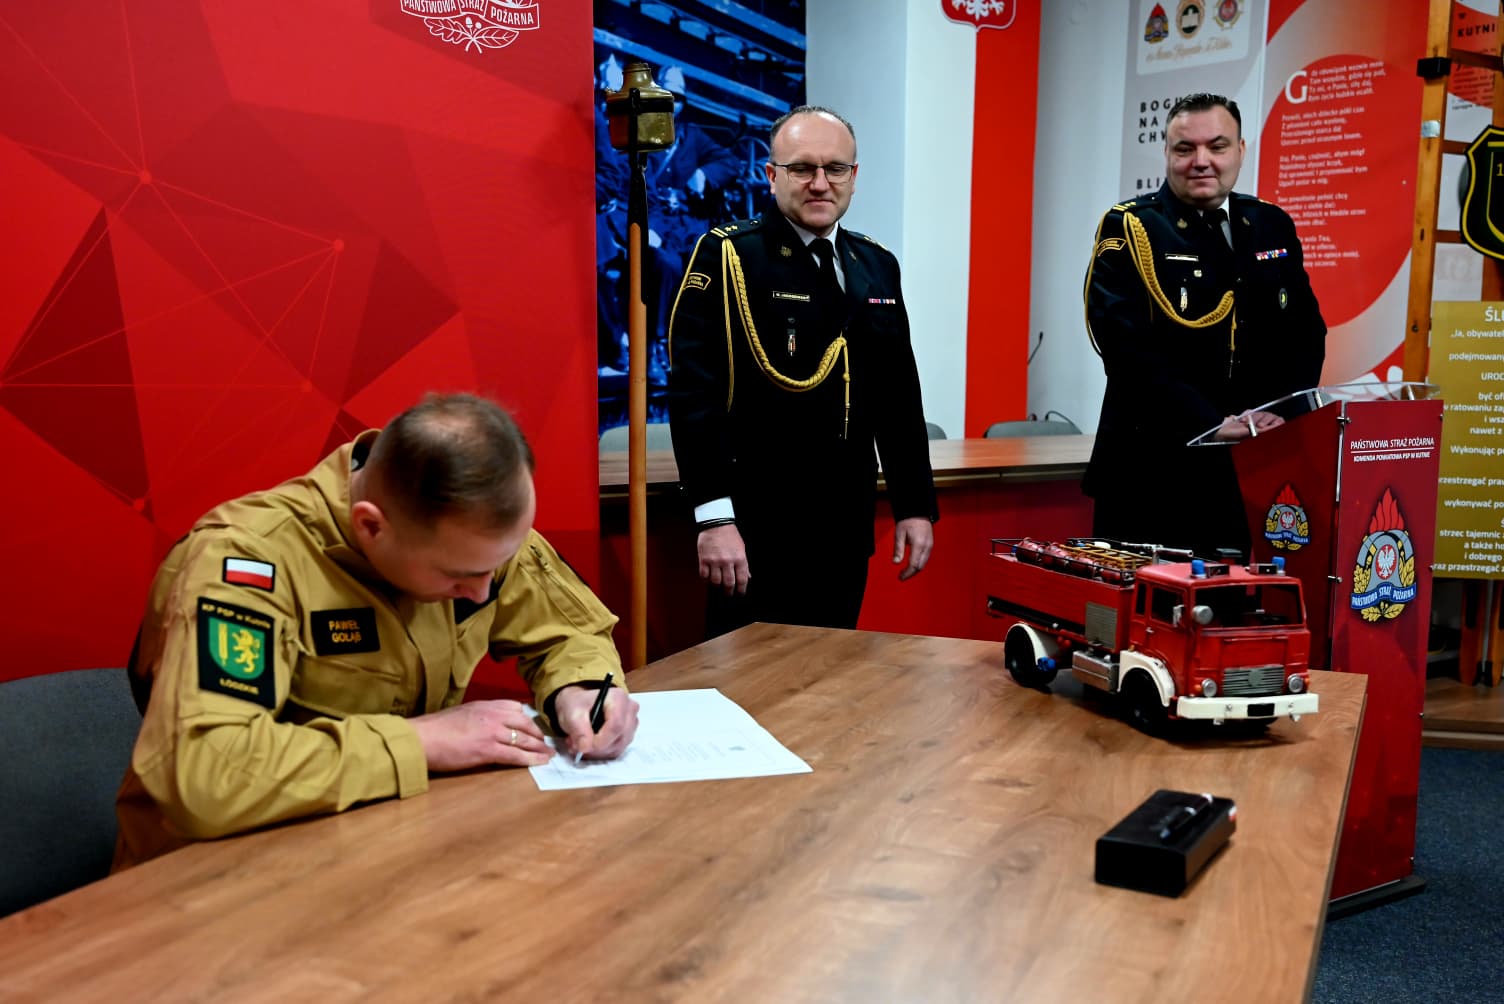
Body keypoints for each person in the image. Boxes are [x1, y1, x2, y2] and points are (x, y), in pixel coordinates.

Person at [115, 393, 639, 867]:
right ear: (371, 526)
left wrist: (580, 689)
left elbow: (569, 632)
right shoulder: (247, 563)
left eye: (495, 568)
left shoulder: (470, 534)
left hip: (377, 852)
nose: (484, 592)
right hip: (209, 883)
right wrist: (422, 741)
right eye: (458, 576)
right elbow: (209, 771)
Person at [667, 104, 938, 636]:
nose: (820, 183)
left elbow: (898, 397)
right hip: (755, 529)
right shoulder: (730, 256)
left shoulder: (875, 264)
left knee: (832, 674)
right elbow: (695, 396)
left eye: (835, 168)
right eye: (802, 169)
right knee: (747, 678)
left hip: (843, 526)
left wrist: (914, 505)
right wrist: (715, 517)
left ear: (854, 177)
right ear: (772, 175)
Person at [1083, 92, 1325, 558]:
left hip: (1252, 467)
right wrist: (1210, 423)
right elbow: (1125, 348)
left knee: (1239, 599)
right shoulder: (1131, 227)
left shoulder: (1270, 224)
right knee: (1147, 601)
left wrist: (1280, 411)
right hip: (1153, 472)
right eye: (1185, 148)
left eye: (1217, 146)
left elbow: (1305, 333)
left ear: (1240, 150)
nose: (1201, 161)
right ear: (1166, 153)